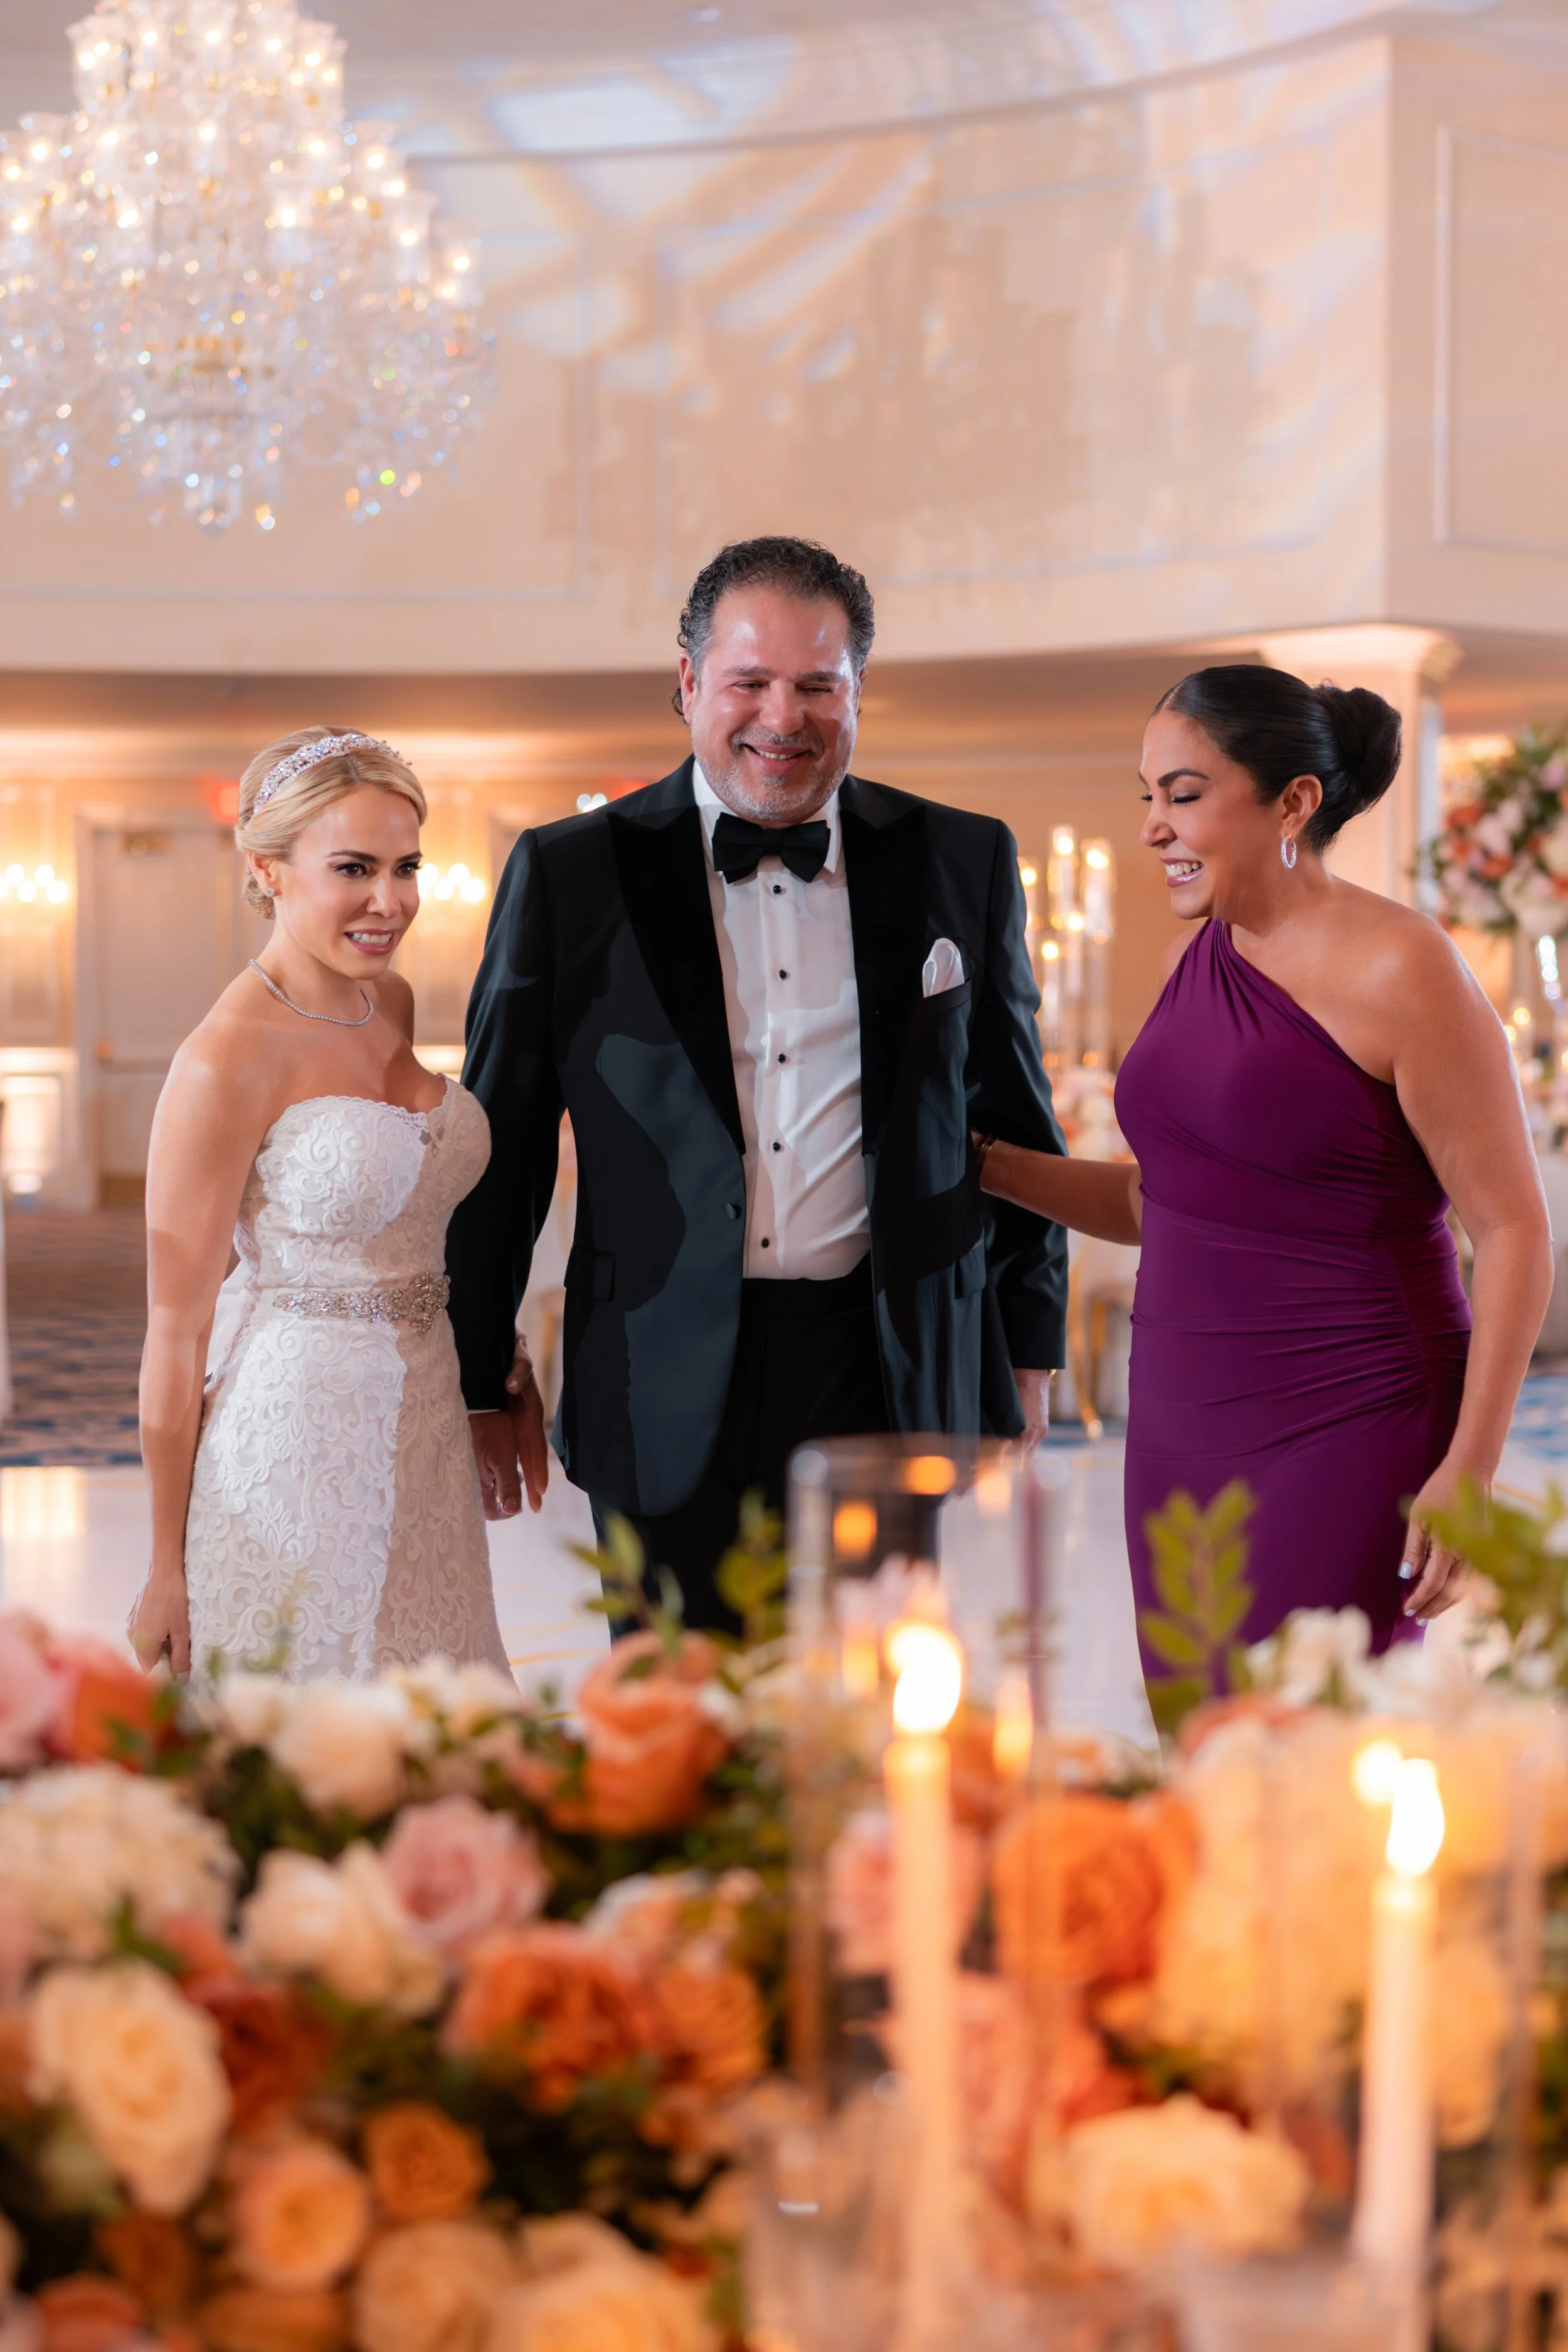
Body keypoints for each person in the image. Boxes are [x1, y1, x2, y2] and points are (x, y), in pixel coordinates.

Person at [447, 535, 1067, 1628]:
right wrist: (478, 1371)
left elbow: (1012, 1119)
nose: (783, 716)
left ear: (858, 693)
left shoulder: (961, 859)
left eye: (818, 685)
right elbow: (501, 1144)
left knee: (874, 1714)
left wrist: (1027, 1341)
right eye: (750, 681)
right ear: (688, 683)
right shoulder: (568, 872)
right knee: (674, 1726)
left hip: (884, 1363)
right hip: (656, 1365)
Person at [977, 664, 1552, 1657]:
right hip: (1177, 1423)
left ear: (1294, 801)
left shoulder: (1403, 965)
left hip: (1356, 1419)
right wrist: (980, 1162)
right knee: (1200, 1739)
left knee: (1309, 1744)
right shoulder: (1191, 963)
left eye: (1185, 795)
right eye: (1148, 797)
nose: (1154, 826)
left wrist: (1474, 1460)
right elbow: (1162, 1205)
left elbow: (1514, 1230)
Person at [129, 728, 534, 1681]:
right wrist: (162, 1566)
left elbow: (415, 1210)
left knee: (439, 1721)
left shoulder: (384, 1000)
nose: (389, 902)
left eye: (406, 866)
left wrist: (492, 1353)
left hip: (424, 1422)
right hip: (293, 1442)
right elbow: (173, 1331)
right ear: (268, 869)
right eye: (353, 868)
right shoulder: (223, 1058)